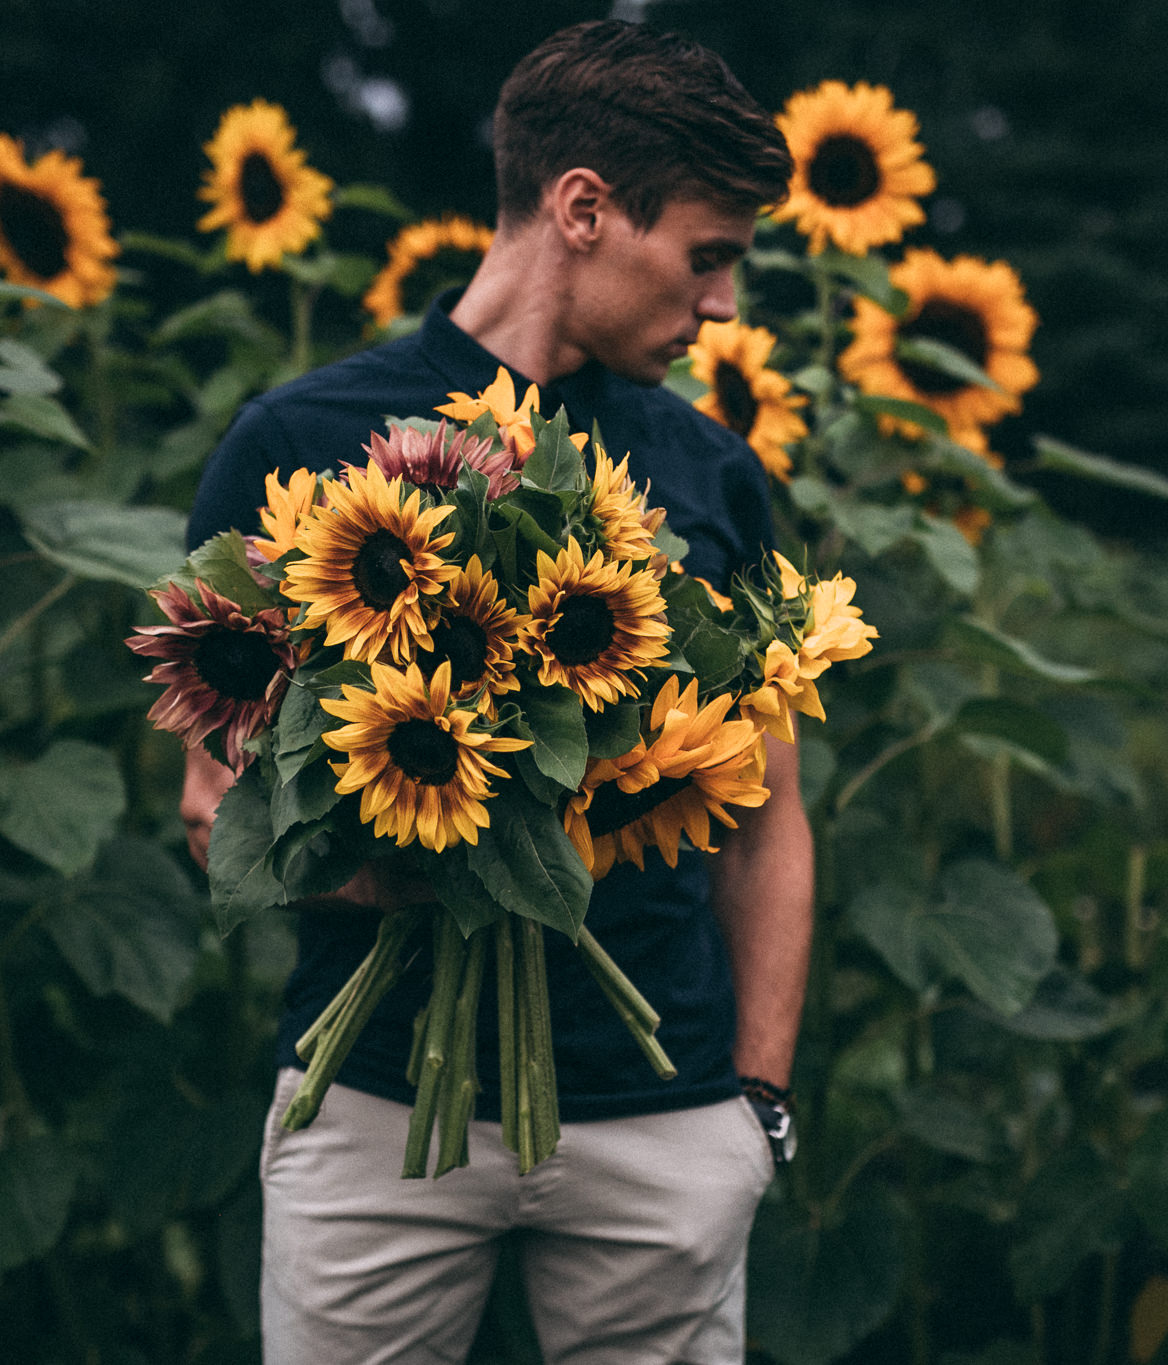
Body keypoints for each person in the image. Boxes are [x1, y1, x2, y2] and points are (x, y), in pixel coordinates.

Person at [180, 20, 811, 1363]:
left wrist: (754, 1104)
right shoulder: (298, 445)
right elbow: (211, 797)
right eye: (708, 256)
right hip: (376, 1108)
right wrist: (399, 866)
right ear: (584, 208)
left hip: (663, 1110)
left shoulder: (713, 474)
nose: (723, 307)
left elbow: (769, 817)